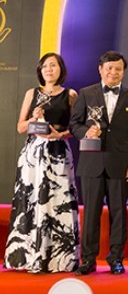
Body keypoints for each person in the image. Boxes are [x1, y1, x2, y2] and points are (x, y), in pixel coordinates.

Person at [70, 51, 128, 275]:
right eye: (109, 68)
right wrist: (86, 131)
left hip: (120, 163)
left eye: (118, 69)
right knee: (91, 212)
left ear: (123, 71)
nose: (113, 72)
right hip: (92, 162)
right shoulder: (86, 94)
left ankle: (116, 259)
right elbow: (74, 124)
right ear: (100, 69)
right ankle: (88, 260)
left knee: (119, 212)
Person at [4, 53, 79, 273]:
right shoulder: (31, 93)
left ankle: (60, 258)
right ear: (40, 70)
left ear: (60, 69)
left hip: (58, 154)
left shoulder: (70, 95)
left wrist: (59, 135)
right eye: (45, 66)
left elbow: (75, 130)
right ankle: (27, 256)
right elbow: (20, 127)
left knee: (57, 200)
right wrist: (33, 119)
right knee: (32, 199)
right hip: (33, 155)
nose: (49, 70)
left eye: (53, 65)